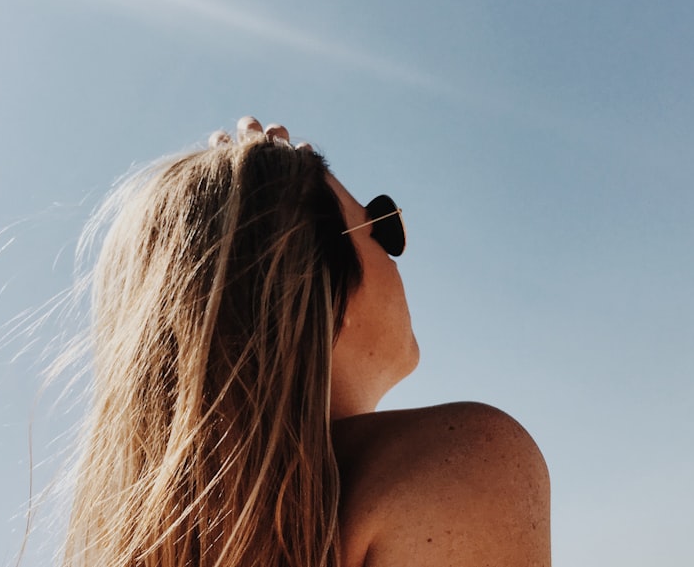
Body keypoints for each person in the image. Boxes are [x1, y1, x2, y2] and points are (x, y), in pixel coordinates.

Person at [57, 116, 550, 567]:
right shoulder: (459, 461)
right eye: (382, 225)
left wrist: (258, 189)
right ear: (311, 281)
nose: (398, 256)